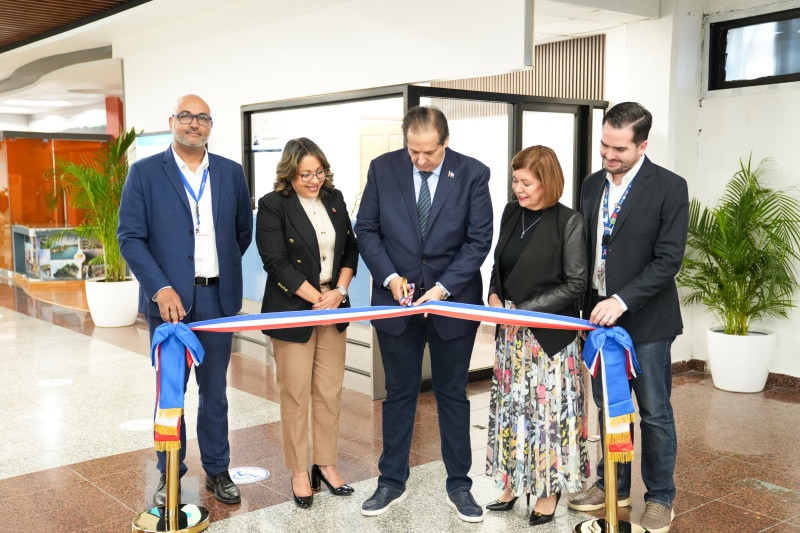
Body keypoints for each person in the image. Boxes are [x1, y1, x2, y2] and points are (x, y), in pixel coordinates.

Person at [354, 106, 493, 523]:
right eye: (413, 151)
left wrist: (442, 288)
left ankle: (460, 485)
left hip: (451, 301)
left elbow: (478, 239)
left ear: (445, 142)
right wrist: (391, 277)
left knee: (452, 392)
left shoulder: (473, 174)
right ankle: (391, 480)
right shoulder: (383, 169)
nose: (420, 160)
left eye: (429, 152)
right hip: (397, 301)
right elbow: (367, 229)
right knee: (399, 392)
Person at [118, 94, 253, 507]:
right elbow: (130, 238)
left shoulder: (231, 173)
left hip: (217, 298)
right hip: (168, 305)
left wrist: (216, 273)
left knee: (215, 392)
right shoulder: (144, 173)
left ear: (211, 125)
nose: (194, 124)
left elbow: (241, 234)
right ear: (172, 121)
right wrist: (161, 287)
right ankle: (169, 473)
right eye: (186, 116)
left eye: (203, 118)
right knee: (170, 393)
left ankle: (217, 470)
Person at [567, 102, 688, 533]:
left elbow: (668, 260)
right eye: (604, 144)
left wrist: (622, 299)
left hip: (646, 321)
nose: (608, 155)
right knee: (609, 409)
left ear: (643, 145)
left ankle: (659, 498)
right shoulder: (591, 184)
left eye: (618, 148)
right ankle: (611, 485)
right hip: (598, 320)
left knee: (654, 412)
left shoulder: (670, 187)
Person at [484, 146, 589, 526]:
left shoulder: (569, 221)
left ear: (548, 181)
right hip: (510, 336)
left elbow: (576, 284)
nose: (518, 190)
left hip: (548, 339)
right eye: (515, 181)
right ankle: (512, 483)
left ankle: (547, 491)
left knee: (545, 418)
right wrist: (494, 296)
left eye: (526, 182)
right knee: (513, 413)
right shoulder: (511, 213)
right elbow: (498, 265)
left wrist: (524, 310)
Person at [255, 138, 358, 508]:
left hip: (333, 305)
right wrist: (317, 299)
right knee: (295, 395)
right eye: (306, 175)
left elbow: (350, 248)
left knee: (329, 393)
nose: (314, 180)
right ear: (289, 173)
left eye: (319, 172)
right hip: (294, 309)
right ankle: (299, 471)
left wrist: (339, 293)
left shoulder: (334, 198)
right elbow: (275, 261)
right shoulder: (272, 205)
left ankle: (325, 464)